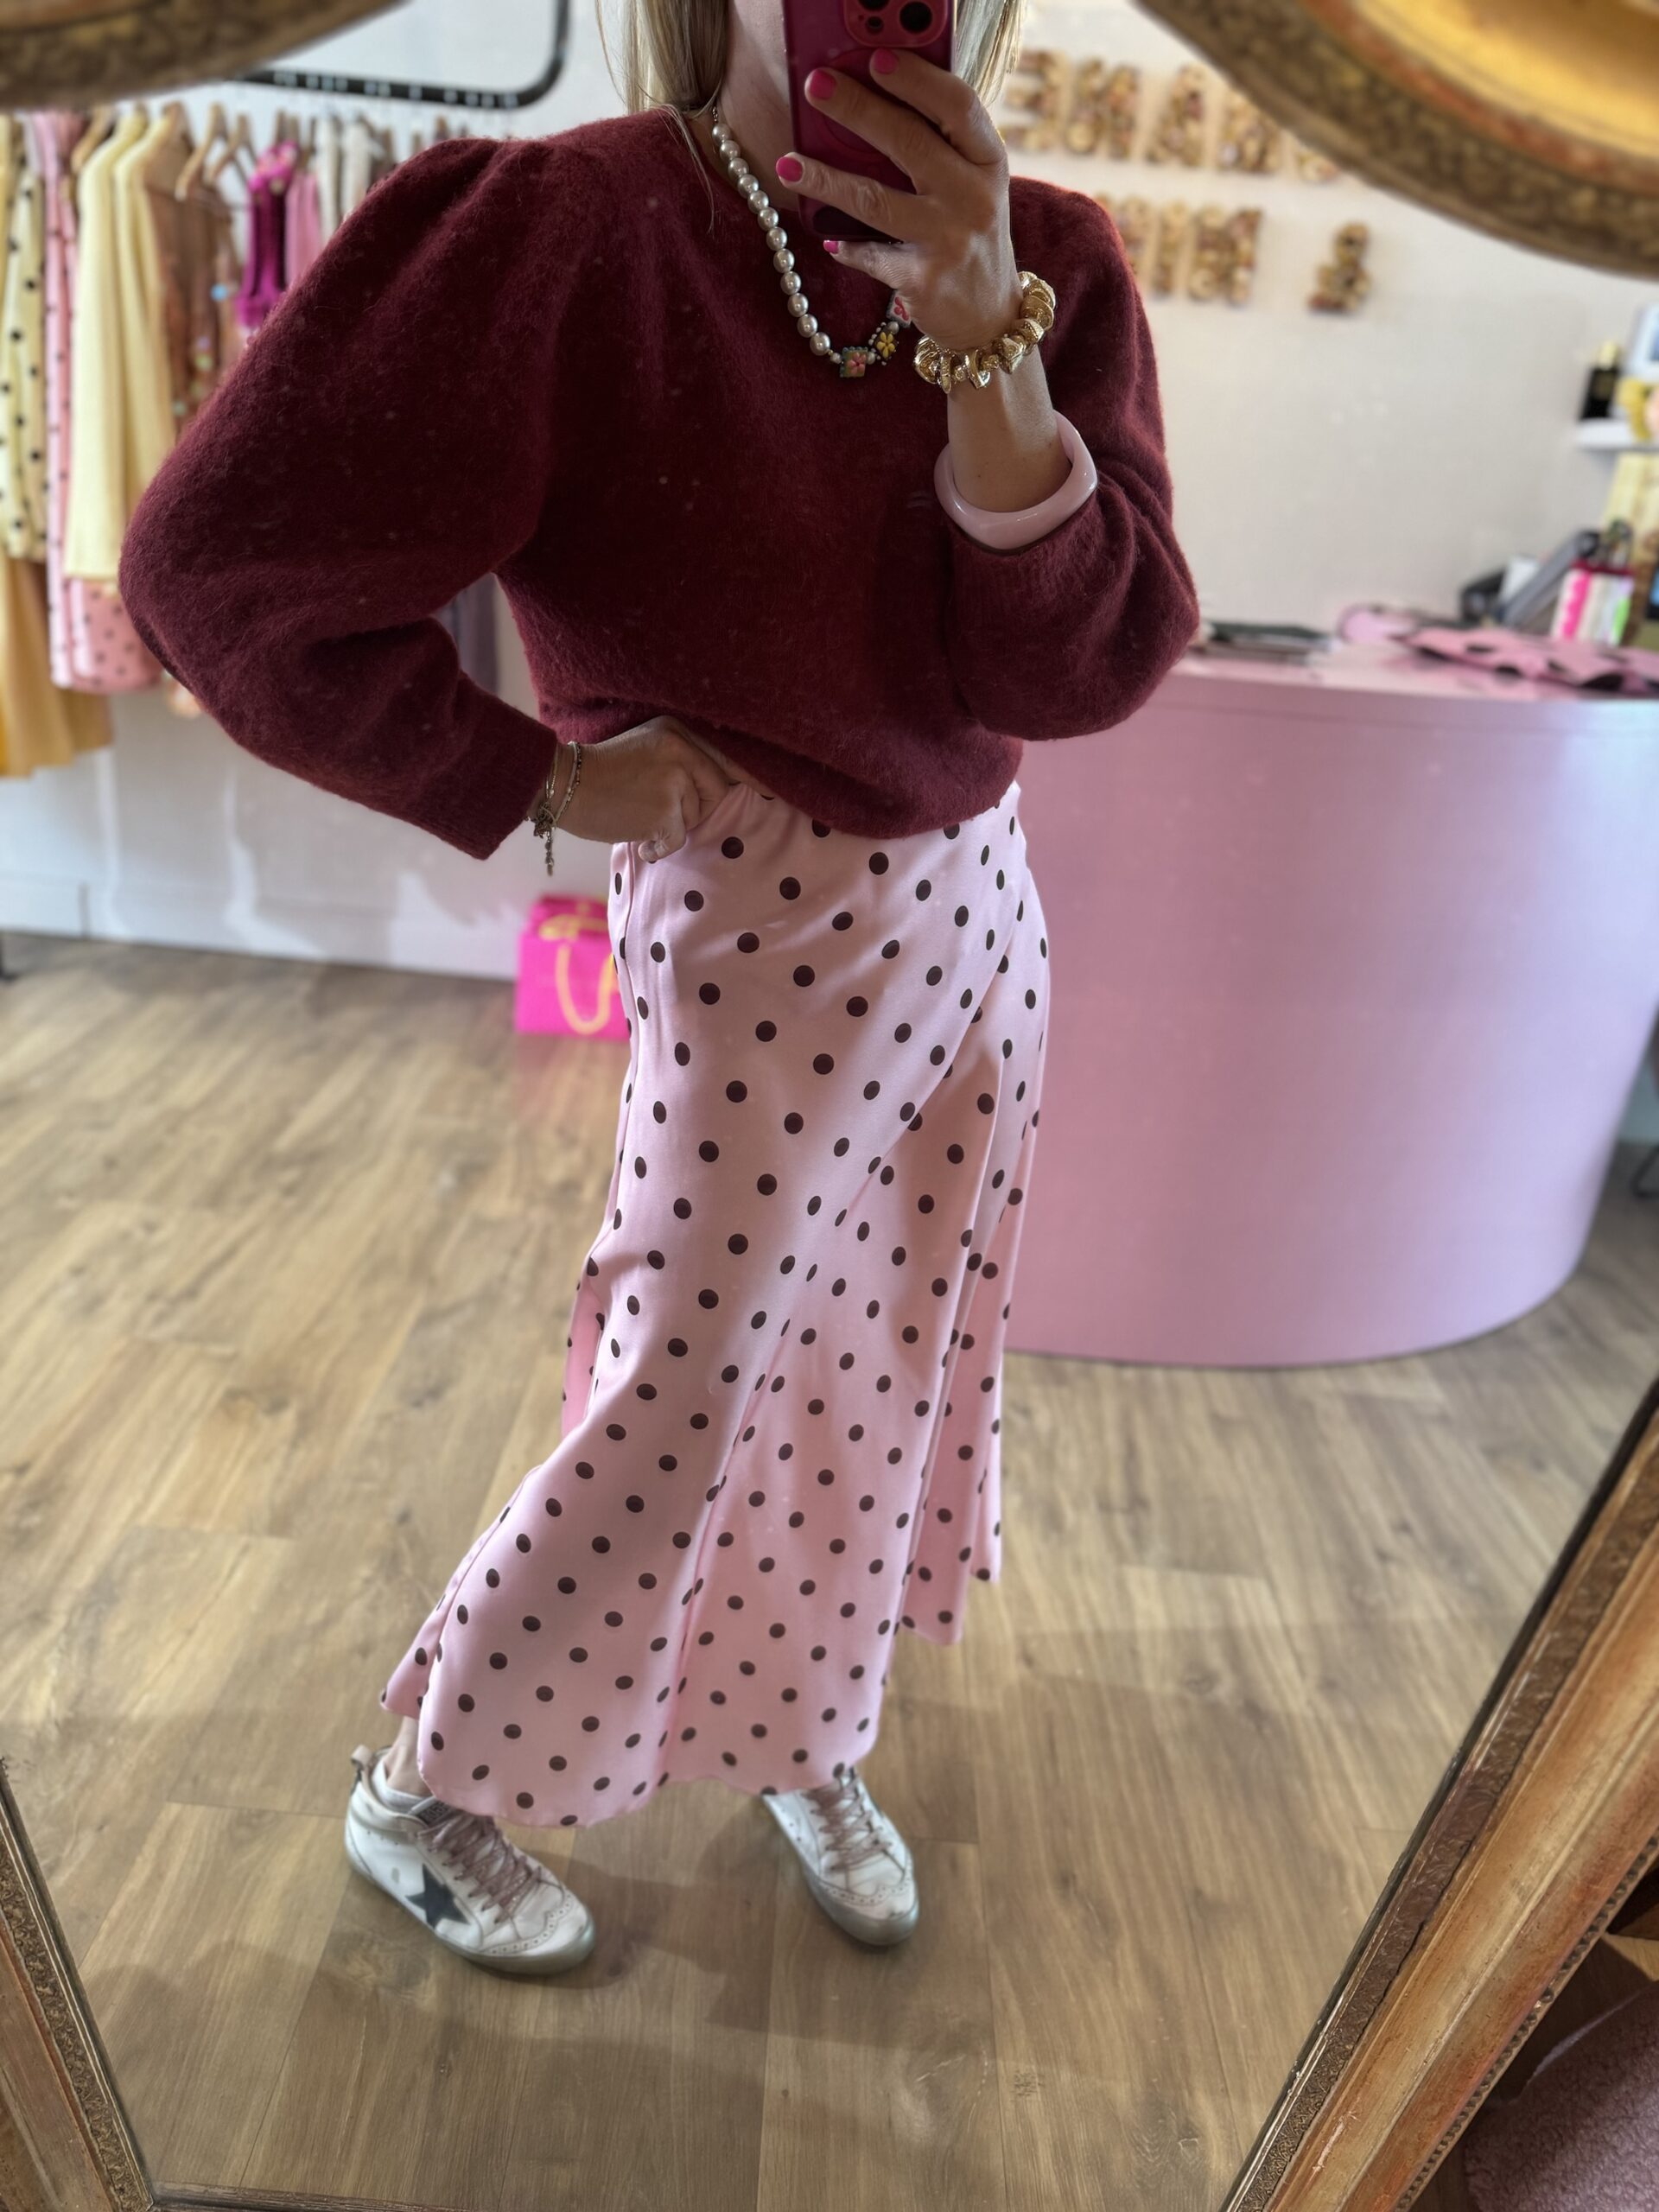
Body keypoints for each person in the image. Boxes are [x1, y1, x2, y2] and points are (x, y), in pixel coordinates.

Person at [118, 0, 1197, 1974]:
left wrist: (987, 339)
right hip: (755, 918)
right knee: (680, 1387)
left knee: (886, 1364)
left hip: (981, 909)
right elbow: (216, 567)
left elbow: (1071, 673)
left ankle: (804, 1723)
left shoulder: (1052, 259)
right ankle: (426, 1784)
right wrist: (530, 774)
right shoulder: (580, 229)